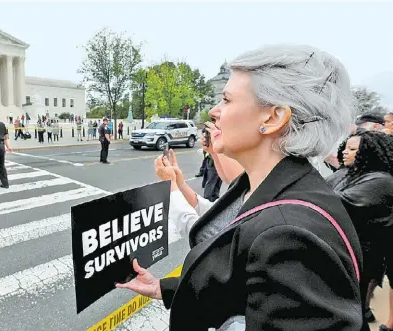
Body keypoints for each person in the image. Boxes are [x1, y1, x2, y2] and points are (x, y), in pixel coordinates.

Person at [116, 44, 366, 331]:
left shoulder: (287, 235)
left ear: (273, 118)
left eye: (227, 100)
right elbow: (241, 281)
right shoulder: (268, 187)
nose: (213, 111)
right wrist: (166, 289)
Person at [326, 130, 393, 329]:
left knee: (351, 309)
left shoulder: (381, 181)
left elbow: (337, 202)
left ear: (369, 152)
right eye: (345, 147)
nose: (345, 152)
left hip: (363, 255)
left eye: (353, 149)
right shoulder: (345, 173)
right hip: (342, 251)